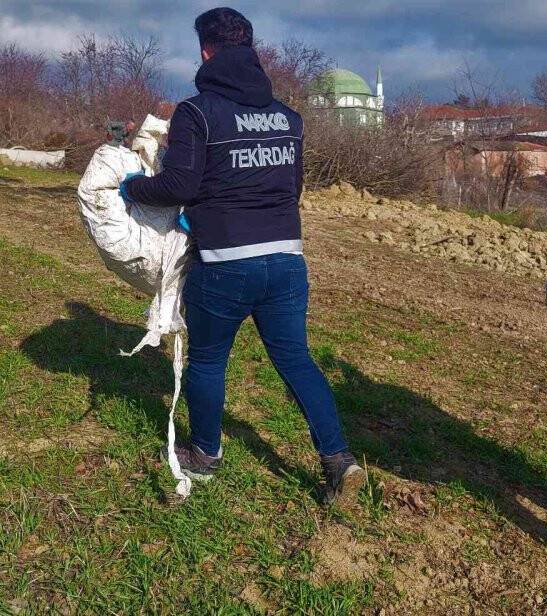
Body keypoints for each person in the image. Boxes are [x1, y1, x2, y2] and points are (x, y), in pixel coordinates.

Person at [120, 7, 366, 506]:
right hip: (287, 260)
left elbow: (178, 185)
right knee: (296, 360)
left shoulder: (196, 113)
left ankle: (205, 455)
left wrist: (133, 187)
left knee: (209, 360)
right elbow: (289, 189)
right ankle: (339, 459)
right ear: (250, 49)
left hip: (225, 264)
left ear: (206, 51)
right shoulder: (288, 118)